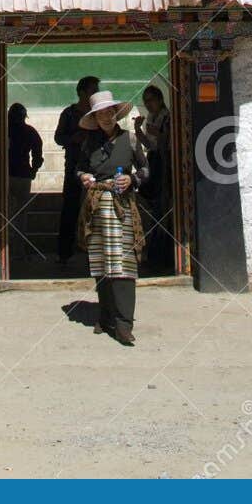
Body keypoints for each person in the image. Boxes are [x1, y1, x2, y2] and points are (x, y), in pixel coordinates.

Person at [77, 91, 148, 345]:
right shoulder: (89, 144)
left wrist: (132, 179)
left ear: (116, 114)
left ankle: (124, 323)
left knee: (123, 264)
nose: (105, 117)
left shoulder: (129, 140)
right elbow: (80, 168)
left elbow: (146, 169)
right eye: (100, 114)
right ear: (94, 117)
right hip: (96, 208)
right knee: (100, 264)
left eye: (109, 112)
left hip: (122, 207)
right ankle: (105, 317)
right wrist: (84, 177)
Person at [54, 74, 100, 265]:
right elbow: (58, 138)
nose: (95, 93)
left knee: (98, 208)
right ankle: (64, 253)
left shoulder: (99, 113)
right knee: (70, 208)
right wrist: (73, 138)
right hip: (73, 165)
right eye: (93, 90)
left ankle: (98, 251)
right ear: (82, 92)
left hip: (97, 167)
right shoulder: (69, 113)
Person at [134, 84, 174, 274]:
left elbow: (169, 142)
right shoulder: (152, 118)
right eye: (145, 102)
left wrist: (158, 134)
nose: (148, 104)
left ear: (159, 99)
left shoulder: (167, 118)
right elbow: (150, 145)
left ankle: (162, 254)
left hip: (164, 165)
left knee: (162, 209)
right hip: (154, 163)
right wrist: (138, 129)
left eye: (150, 100)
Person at [7, 102, 44, 259]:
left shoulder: (3, 130)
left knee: (5, 213)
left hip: (5, 176)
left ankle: (6, 249)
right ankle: (18, 251)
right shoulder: (30, 132)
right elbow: (37, 155)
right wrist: (33, 171)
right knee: (21, 215)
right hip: (23, 176)